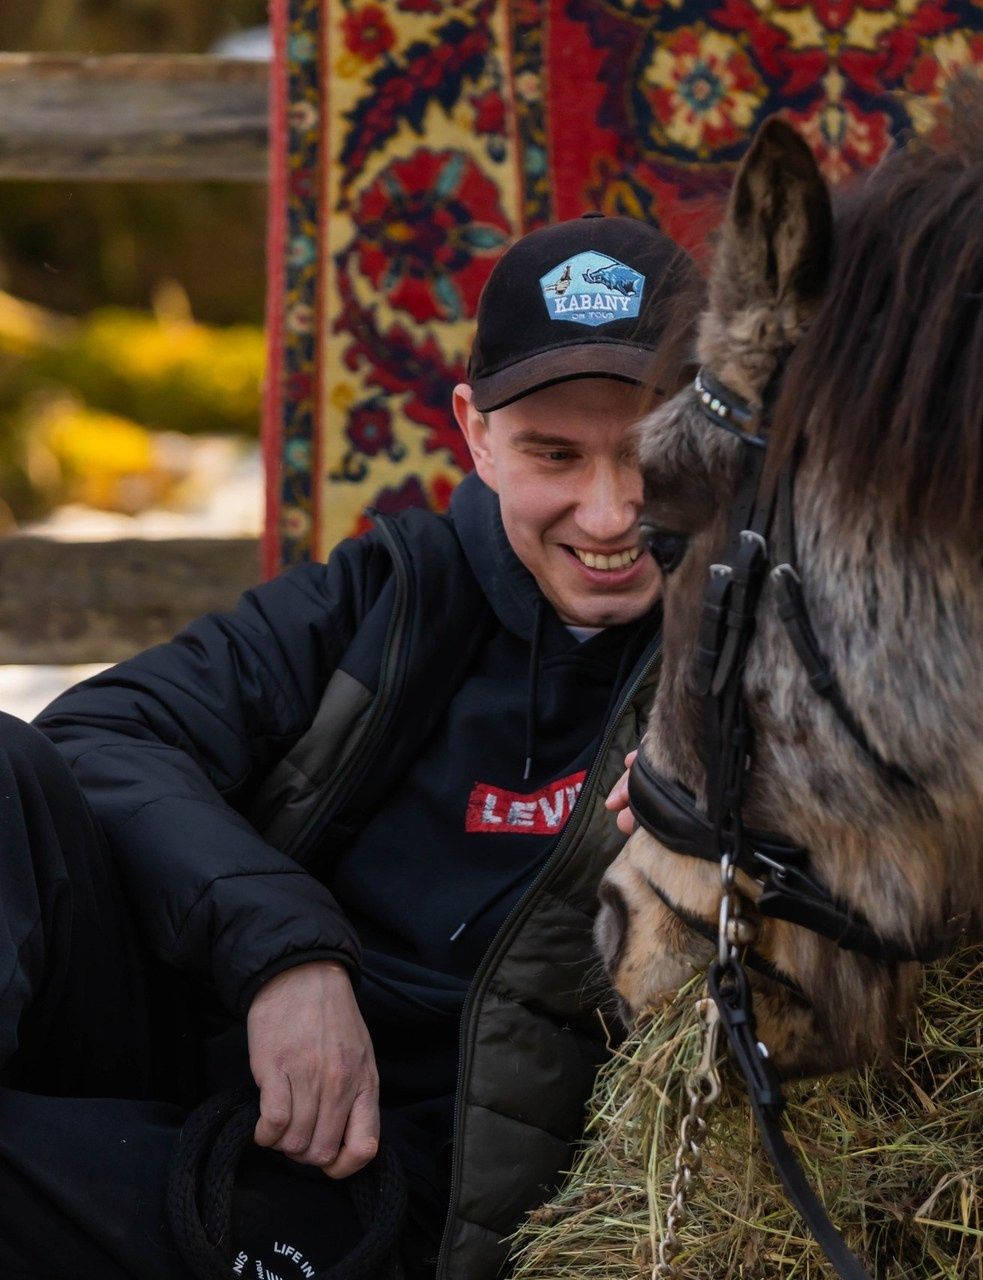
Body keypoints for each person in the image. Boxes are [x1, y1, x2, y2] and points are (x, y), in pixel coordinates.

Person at [0, 212, 698, 1280]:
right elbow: (102, 732)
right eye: (553, 454)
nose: (608, 514)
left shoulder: (751, 661)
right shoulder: (389, 595)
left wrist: (710, 820)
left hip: (407, 1194)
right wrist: (288, 948)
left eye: (648, 453)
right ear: (474, 432)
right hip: (203, 1066)